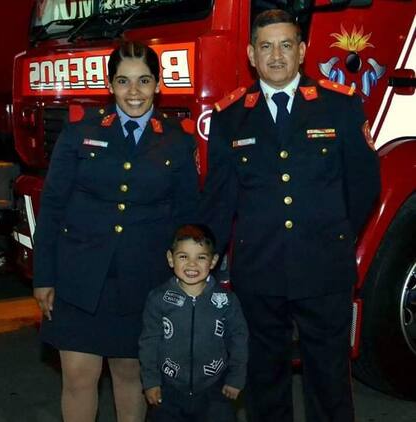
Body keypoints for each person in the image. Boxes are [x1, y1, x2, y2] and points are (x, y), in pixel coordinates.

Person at [200, 9, 381, 422]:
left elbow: (364, 186)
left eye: (285, 45)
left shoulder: (340, 106)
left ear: (302, 51)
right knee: (264, 380)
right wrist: (203, 258)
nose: (276, 56)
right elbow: (220, 198)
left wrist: (333, 235)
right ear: (251, 54)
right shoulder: (230, 117)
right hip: (259, 269)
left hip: (324, 267)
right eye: (266, 47)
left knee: (330, 379)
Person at [33, 41, 199, 422]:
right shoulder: (79, 135)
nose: (134, 92)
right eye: (124, 81)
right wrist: (45, 276)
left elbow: (187, 218)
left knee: (130, 376)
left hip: (142, 281)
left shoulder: (176, 140)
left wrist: (188, 283)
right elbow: (53, 207)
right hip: (79, 277)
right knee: (78, 377)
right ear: (110, 85)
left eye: (143, 81)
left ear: (158, 84)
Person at [139, 224, 248, 422]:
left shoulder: (226, 301)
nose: (191, 264)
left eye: (201, 257)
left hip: (215, 387)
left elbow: (239, 341)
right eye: (183, 256)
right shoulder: (158, 298)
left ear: (213, 261)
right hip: (169, 387)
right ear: (171, 259)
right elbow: (148, 343)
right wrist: (151, 381)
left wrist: (236, 378)